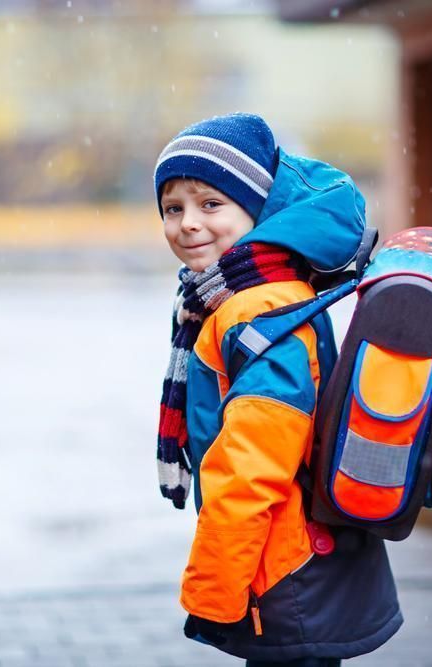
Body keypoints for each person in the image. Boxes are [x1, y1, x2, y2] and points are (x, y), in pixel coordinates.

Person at [154, 112, 403, 666]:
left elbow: (252, 466)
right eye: (174, 208)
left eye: (210, 204)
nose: (188, 223)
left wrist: (213, 590)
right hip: (290, 561)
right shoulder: (233, 300)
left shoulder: (259, 309)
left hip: (289, 569)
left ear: (258, 212)